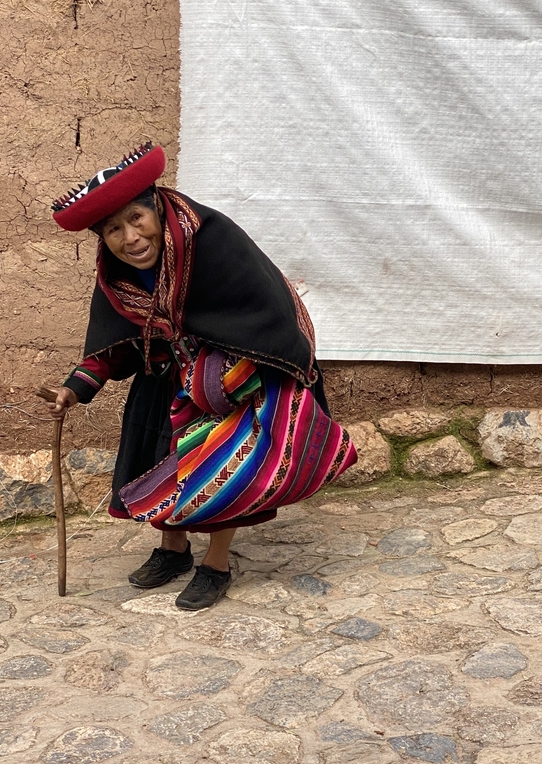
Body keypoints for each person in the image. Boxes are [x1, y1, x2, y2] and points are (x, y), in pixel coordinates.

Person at [47, 142, 357, 610]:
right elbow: (117, 339)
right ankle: (173, 549)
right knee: (160, 462)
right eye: (113, 229)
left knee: (217, 466)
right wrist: (74, 388)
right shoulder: (117, 275)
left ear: (156, 205)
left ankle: (216, 564)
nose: (130, 238)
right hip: (166, 378)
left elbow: (264, 307)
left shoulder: (211, 240)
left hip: (235, 378)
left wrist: (223, 376)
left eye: (136, 218)